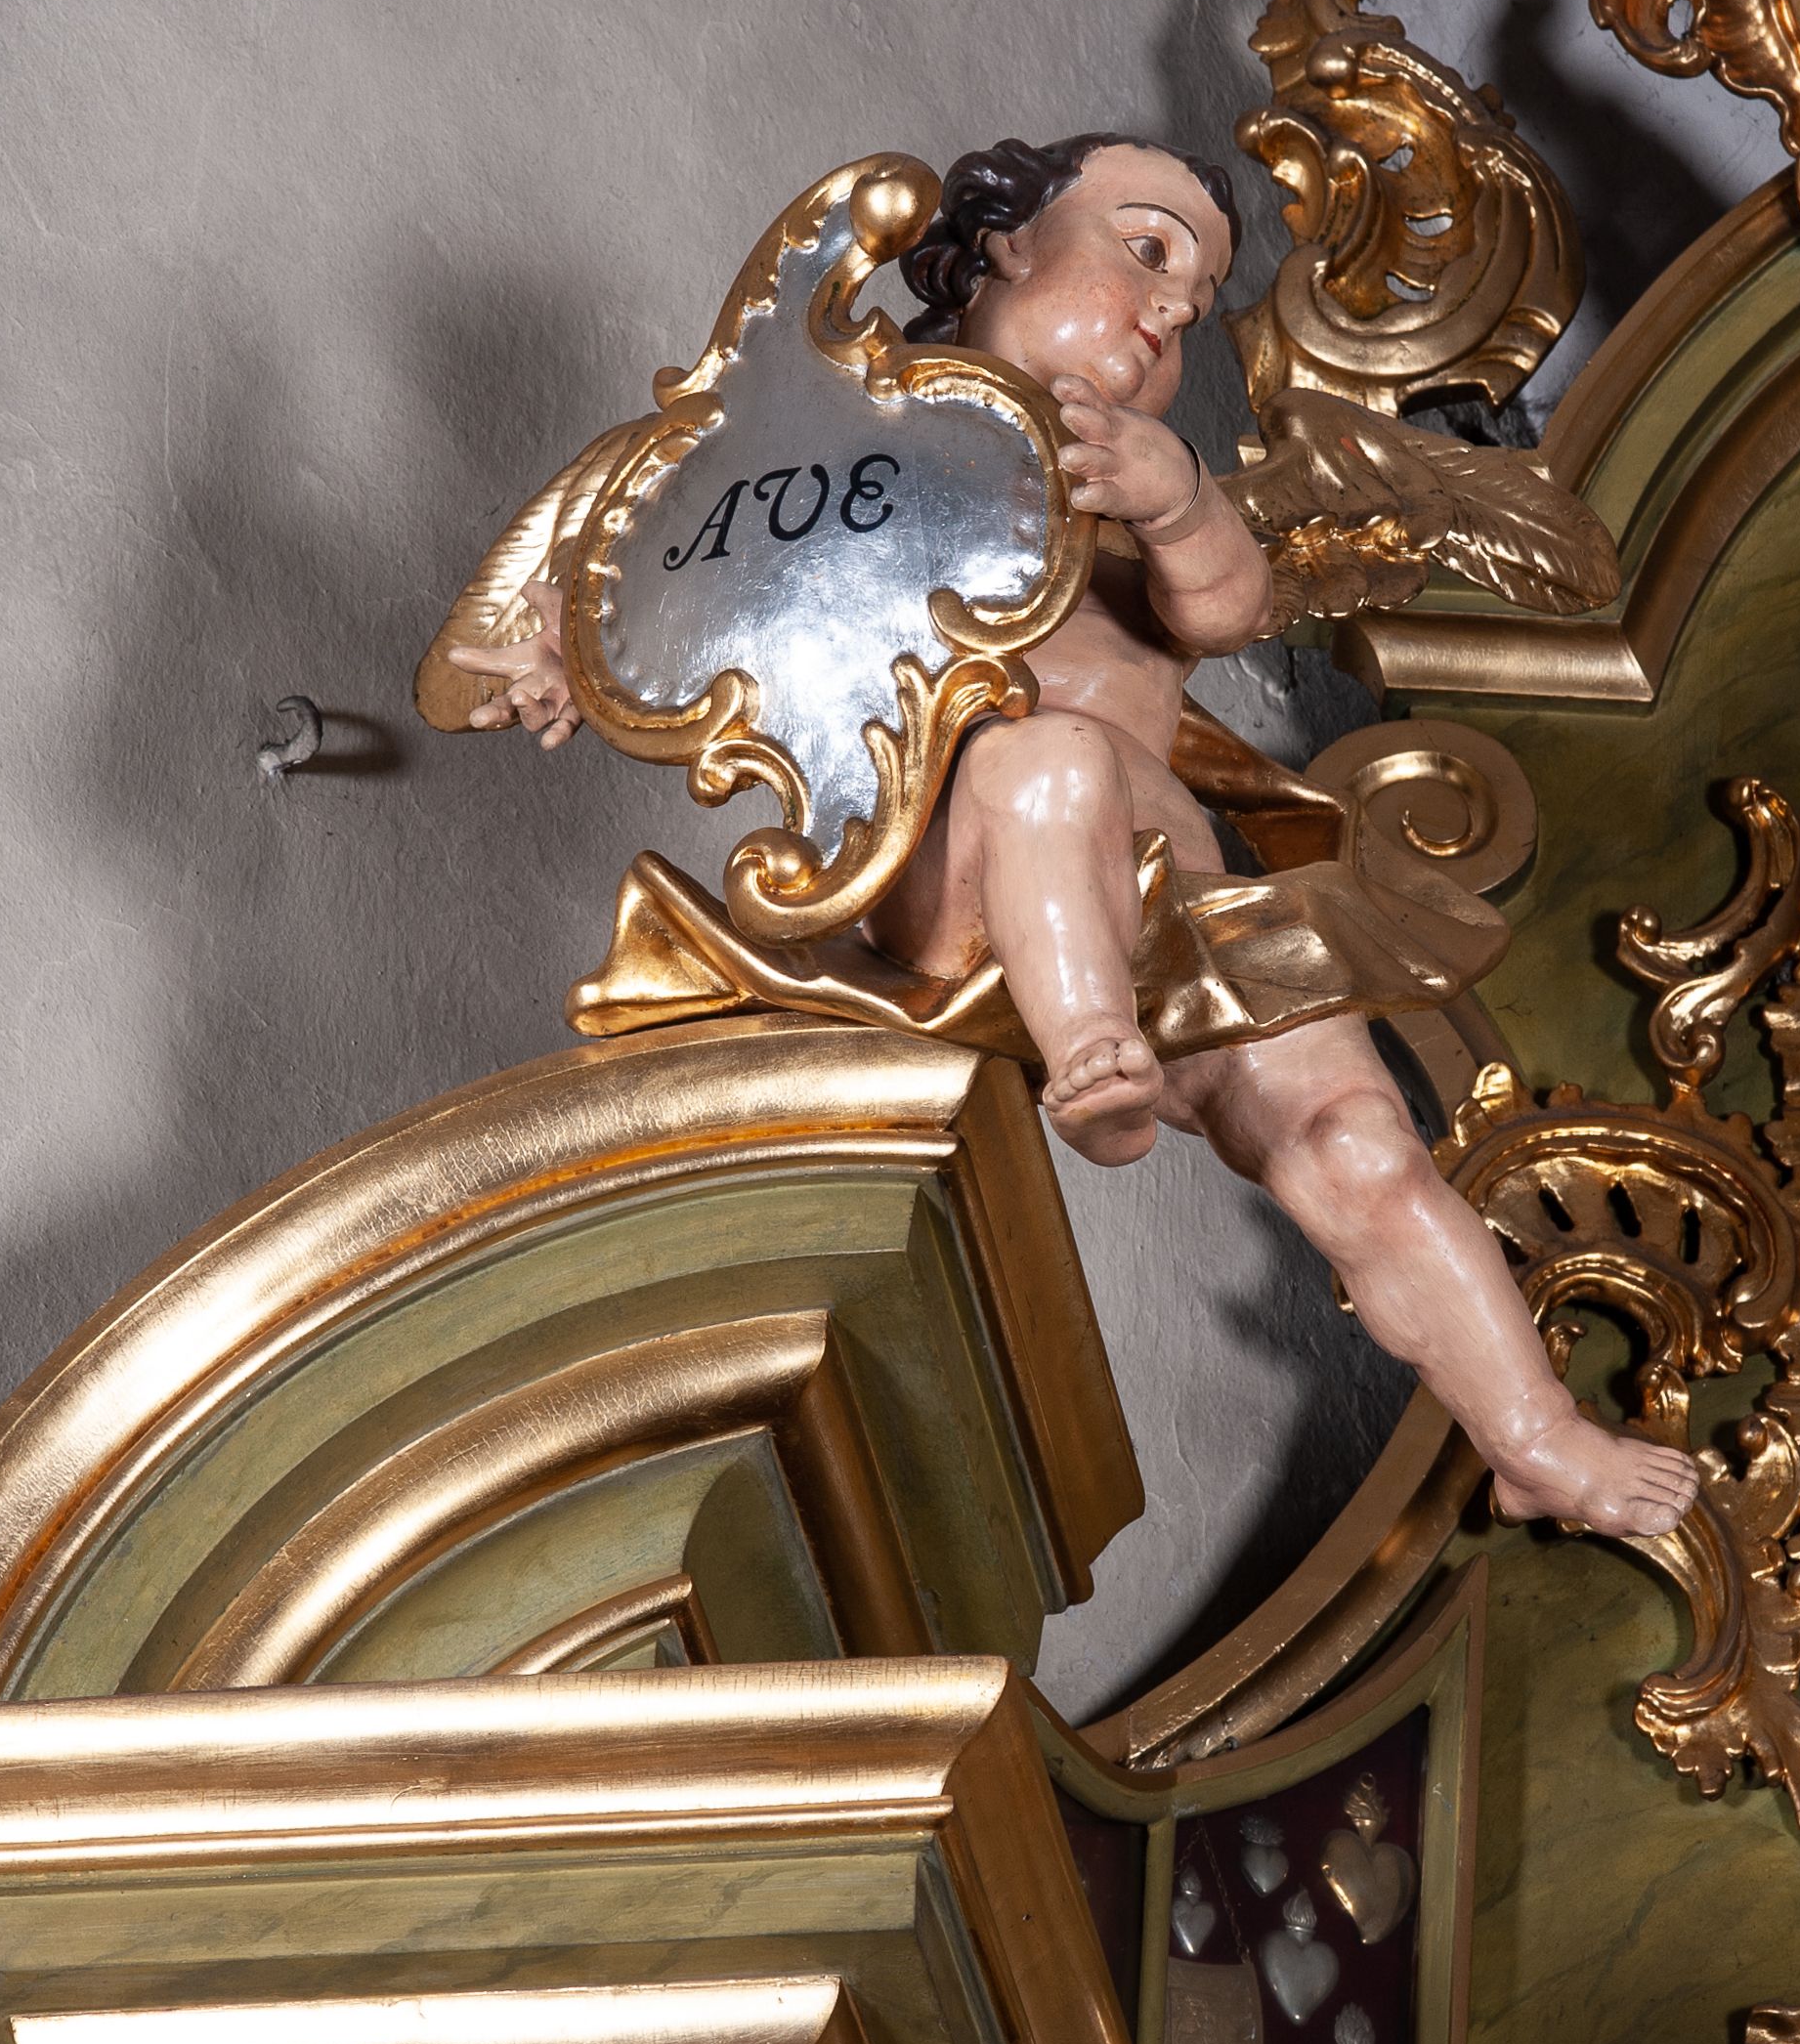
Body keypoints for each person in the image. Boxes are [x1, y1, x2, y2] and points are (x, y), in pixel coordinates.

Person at [449, 133, 1699, 1540]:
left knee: (1356, 1139)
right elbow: (704, 585)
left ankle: (1535, 1439)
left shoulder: (1137, 487)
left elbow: (1225, 608)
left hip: (1176, 910)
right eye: (1146, 249)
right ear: (1005, 246)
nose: (1171, 308)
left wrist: (1176, 498)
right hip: (965, 881)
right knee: (1047, 757)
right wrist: (574, 657)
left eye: (1197, 299)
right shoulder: (863, 457)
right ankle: (1091, 1050)